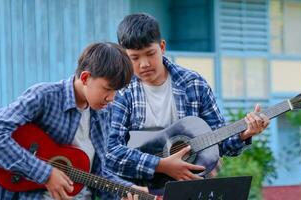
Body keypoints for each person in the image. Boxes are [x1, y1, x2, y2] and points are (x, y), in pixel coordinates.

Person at [105, 13, 270, 189]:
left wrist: (245, 133)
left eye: (150, 53)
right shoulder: (120, 91)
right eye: (135, 58)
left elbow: (217, 143)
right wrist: (161, 165)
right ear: (124, 55)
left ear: (162, 47)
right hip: (139, 192)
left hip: (188, 189)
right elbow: (110, 153)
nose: (144, 64)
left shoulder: (194, 84)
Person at [0, 42, 134, 200]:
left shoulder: (104, 112)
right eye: (108, 89)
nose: (112, 98)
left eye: (116, 91)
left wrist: (126, 190)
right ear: (85, 78)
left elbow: (96, 173)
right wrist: (46, 174)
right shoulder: (45, 96)